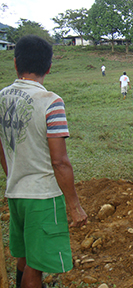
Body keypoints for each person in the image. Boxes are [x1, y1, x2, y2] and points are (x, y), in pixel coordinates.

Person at [0, 35, 88, 288]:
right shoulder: (50, 102)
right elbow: (60, 161)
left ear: (15, 64)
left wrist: (12, 173)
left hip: (15, 192)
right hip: (42, 196)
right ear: (49, 67)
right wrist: (74, 206)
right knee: (35, 266)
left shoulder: (2, 97)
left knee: (24, 255)